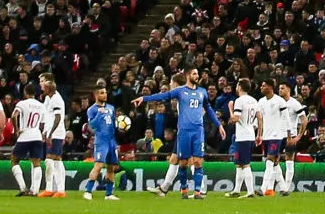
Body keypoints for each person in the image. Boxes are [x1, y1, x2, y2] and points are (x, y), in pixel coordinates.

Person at [138, 67, 221, 201]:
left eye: (171, 82)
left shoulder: (196, 92)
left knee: (192, 160)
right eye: (194, 73)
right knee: (177, 160)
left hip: (193, 130)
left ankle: (198, 189)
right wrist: (145, 98)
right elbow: (164, 96)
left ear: (176, 83)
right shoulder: (180, 93)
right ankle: (170, 188)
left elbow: (206, 108)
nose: (170, 85)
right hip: (183, 131)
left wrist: (217, 124)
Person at [81, 83, 122, 201]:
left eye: (105, 92)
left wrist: (120, 128)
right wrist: (99, 113)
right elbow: (92, 125)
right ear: (96, 95)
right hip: (101, 141)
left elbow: (113, 124)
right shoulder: (92, 109)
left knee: (111, 167)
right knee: (98, 165)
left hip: (111, 141)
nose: (105, 95)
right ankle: (88, 191)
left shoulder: (111, 107)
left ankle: (108, 194)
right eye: (102, 93)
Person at [227, 79, 262, 198]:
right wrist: (259, 134)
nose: (236, 87)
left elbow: (235, 119)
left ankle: (250, 191)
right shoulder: (253, 100)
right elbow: (259, 117)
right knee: (239, 163)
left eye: (237, 85)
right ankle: (236, 190)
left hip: (243, 136)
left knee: (245, 163)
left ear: (240, 87)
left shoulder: (239, 101)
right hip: (250, 134)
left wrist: (230, 108)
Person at [11, 82, 46, 197]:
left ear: (25, 93)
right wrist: (39, 132)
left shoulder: (22, 104)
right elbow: (42, 123)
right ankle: (35, 191)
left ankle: (23, 188)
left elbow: (13, 116)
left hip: (25, 135)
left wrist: (17, 129)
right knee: (36, 163)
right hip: (36, 135)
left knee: (14, 160)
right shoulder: (41, 105)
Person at [273, 81, 306, 197]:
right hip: (277, 135)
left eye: (282, 88)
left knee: (289, 161)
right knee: (273, 161)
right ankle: (280, 186)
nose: (280, 90)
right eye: (279, 88)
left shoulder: (294, 103)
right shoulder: (277, 102)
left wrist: (299, 136)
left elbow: (304, 120)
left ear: (288, 89)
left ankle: (286, 188)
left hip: (290, 136)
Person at [40, 73, 69, 197]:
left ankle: (49, 188)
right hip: (51, 132)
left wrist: (50, 133)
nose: (41, 85)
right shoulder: (49, 98)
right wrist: (44, 131)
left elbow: (57, 118)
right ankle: (61, 190)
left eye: (42, 82)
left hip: (56, 133)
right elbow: (49, 117)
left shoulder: (56, 99)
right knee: (57, 160)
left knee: (49, 160)